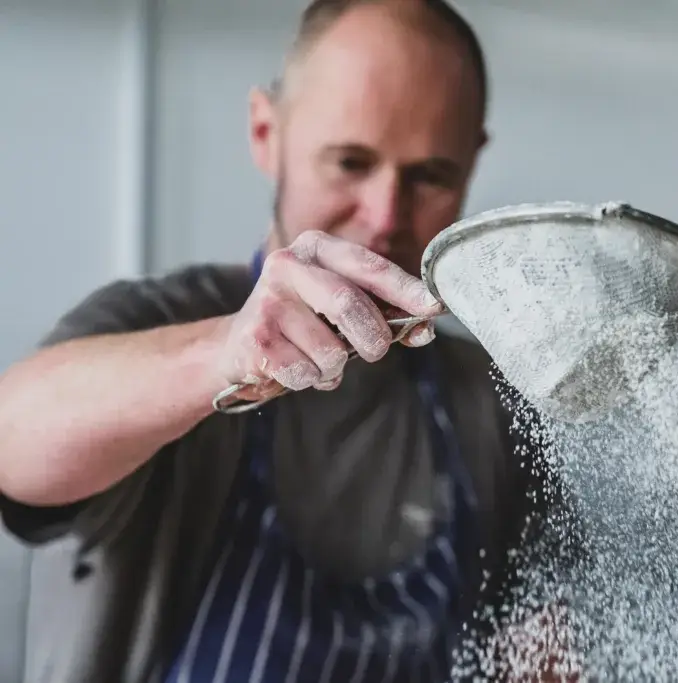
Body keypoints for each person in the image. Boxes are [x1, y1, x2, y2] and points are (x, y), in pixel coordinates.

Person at [0, 1, 577, 681]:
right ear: (266, 132)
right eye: (350, 162)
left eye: (429, 176)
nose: (386, 215)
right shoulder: (152, 321)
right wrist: (223, 353)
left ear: (472, 163)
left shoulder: (492, 405)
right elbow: (13, 438)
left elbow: (541, 651)